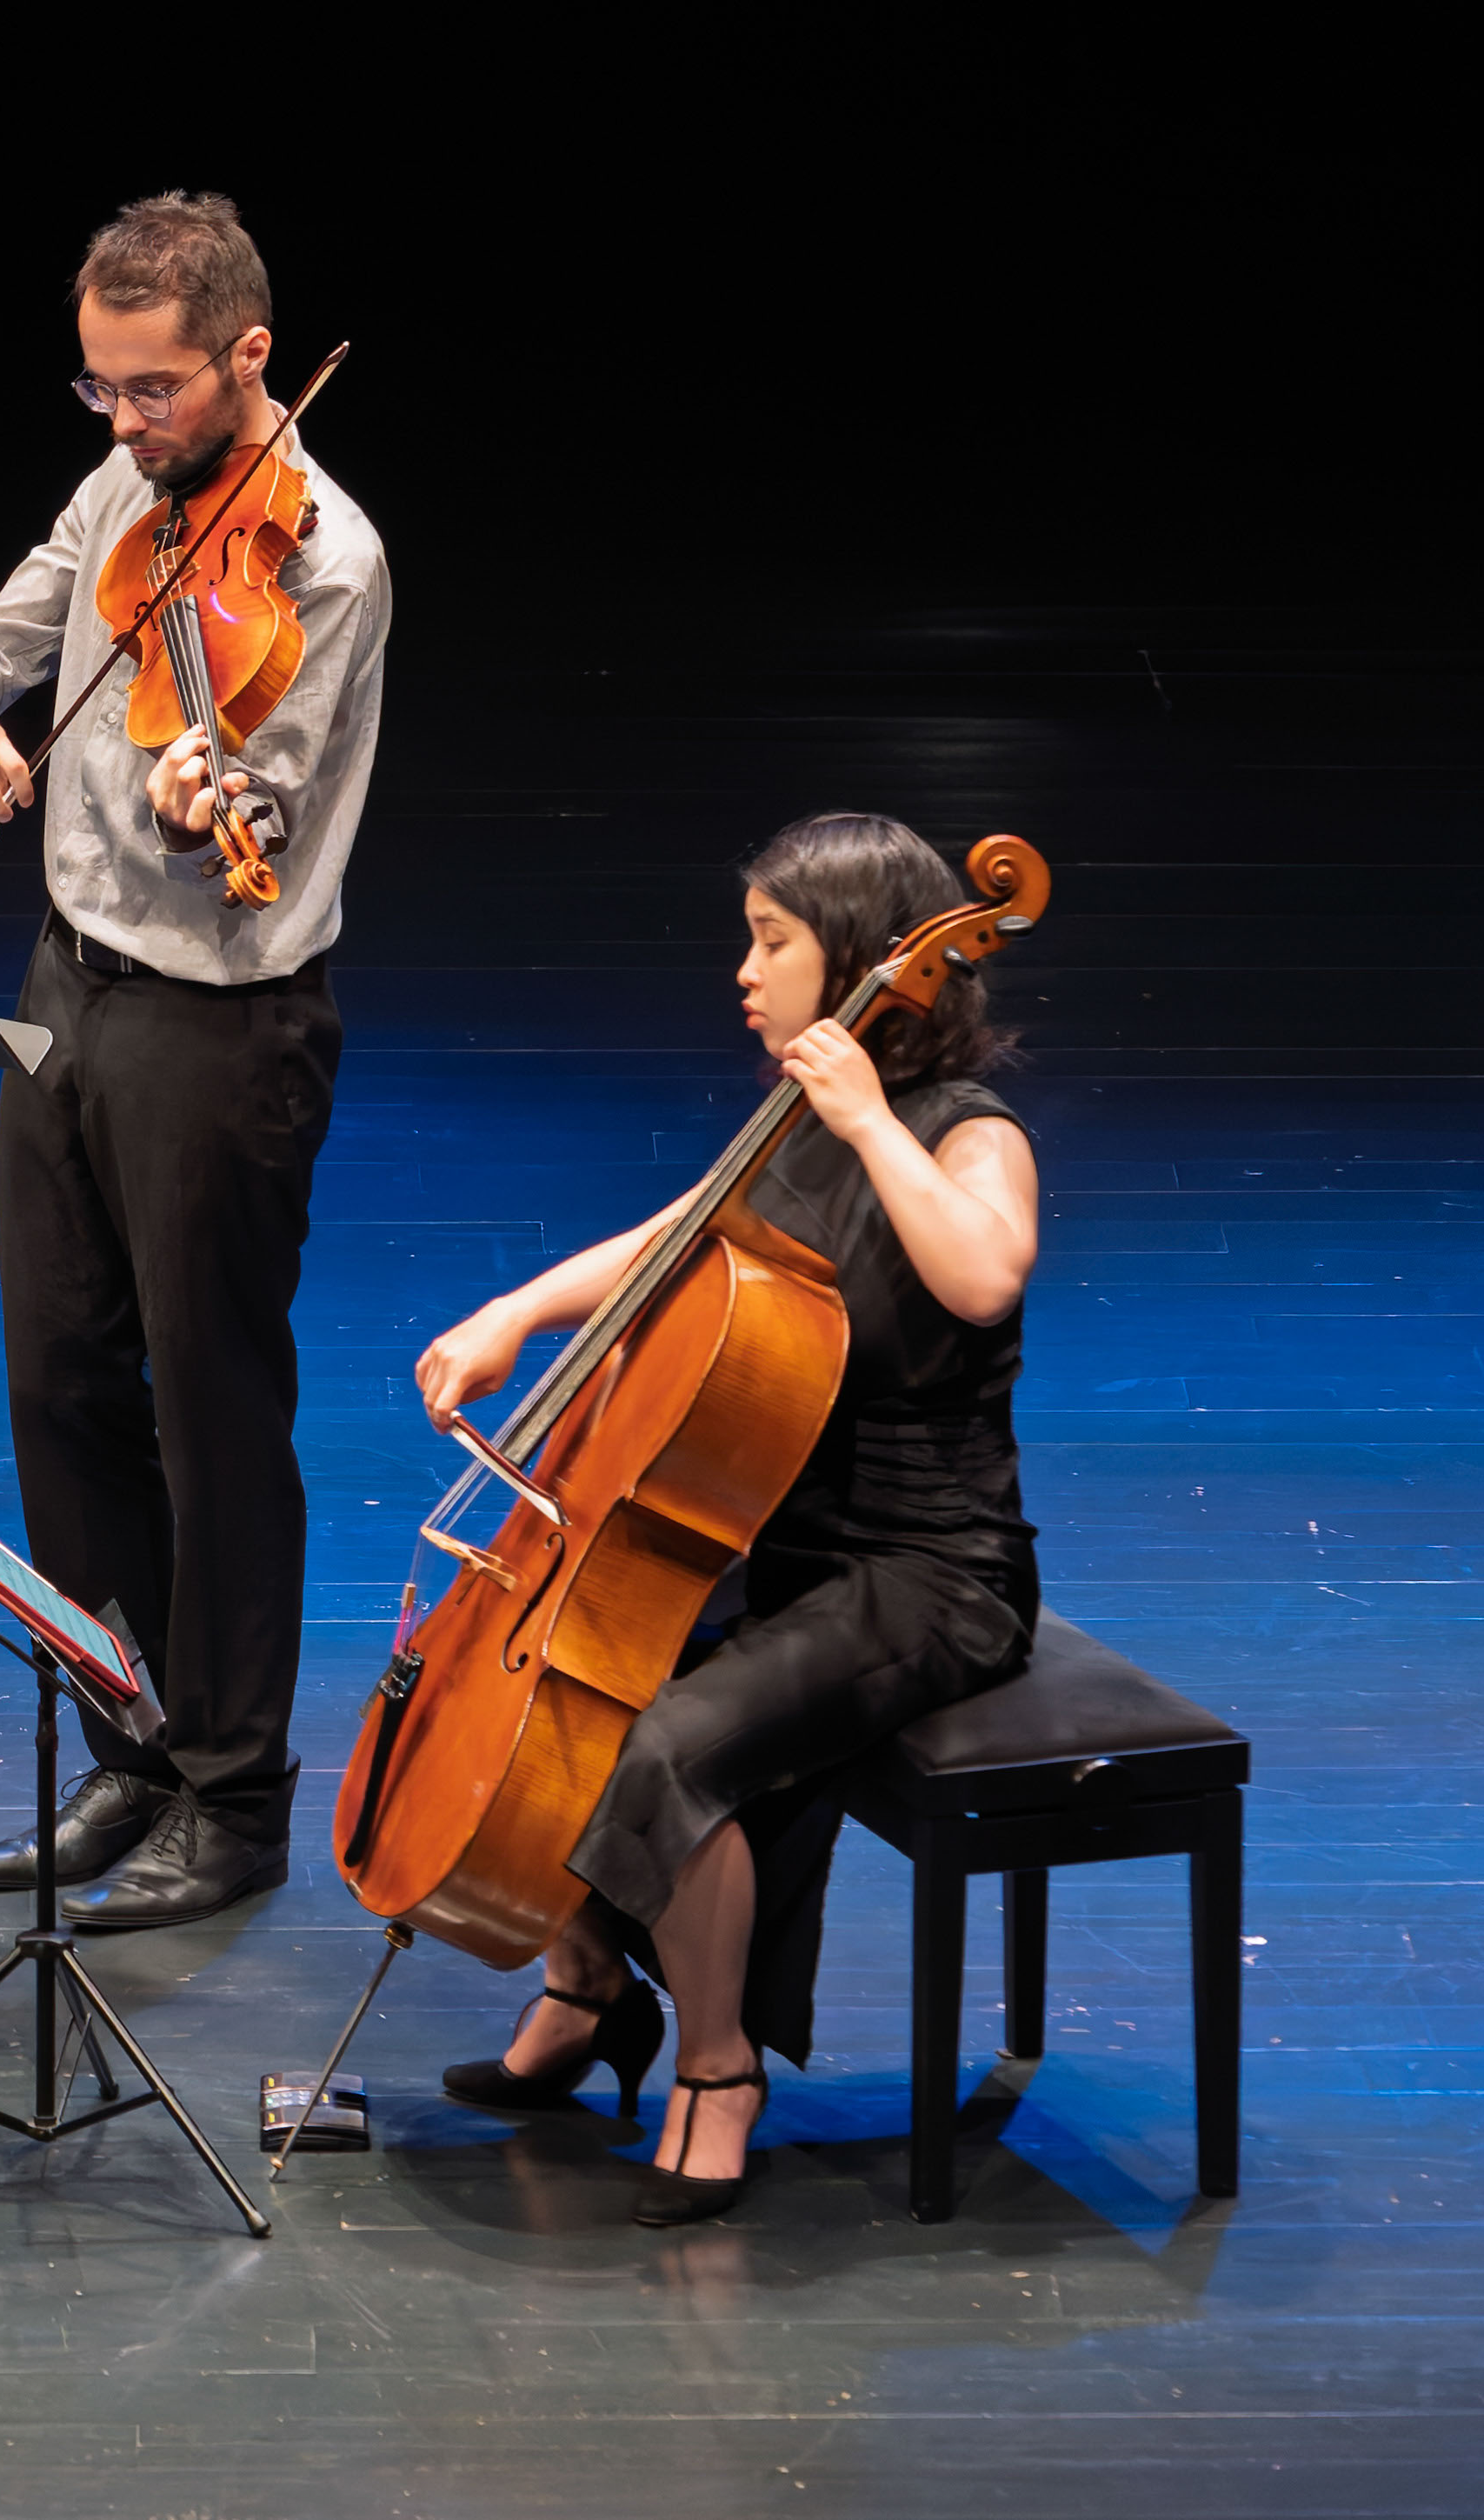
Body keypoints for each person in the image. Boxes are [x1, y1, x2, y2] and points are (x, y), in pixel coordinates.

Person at [418, 813, 1041, 2225]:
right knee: (573, 1692)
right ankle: (589, 1988)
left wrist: (870, 1120)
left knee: (667, 1746)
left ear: (865, 960)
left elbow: (983, 1274)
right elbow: (679, 1230)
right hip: (791, 1542)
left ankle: (718, 2063)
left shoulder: (970, 1133)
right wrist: (514, 1312)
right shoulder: (791, 1129)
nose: (745, 973)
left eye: (773, 943)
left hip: (932, 1575)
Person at [0, 190, 393, 1929]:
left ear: (248, 357)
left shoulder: (330, 559)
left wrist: (209, 806)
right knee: (60, 1385)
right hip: (62, 989)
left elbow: (265, 808)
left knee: (212, 1407)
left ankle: (235, 1794)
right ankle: (128, 1743)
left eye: (153, 388)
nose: (123, 421)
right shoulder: (118, 491)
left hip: (221, 1016)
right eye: (98, 386)